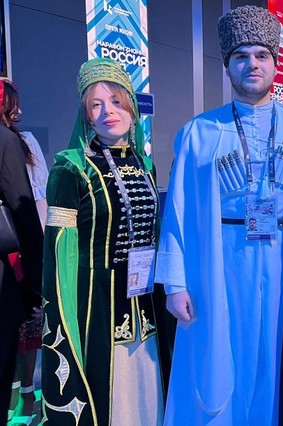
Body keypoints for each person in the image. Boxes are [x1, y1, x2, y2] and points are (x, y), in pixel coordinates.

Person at [155, 6, 283, 425]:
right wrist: (175, 284)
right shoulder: (198, 131)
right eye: (241, 56)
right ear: (227, 66)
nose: (252, 64)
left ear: (275, 63)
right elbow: (177, 211)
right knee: (220, 352)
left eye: (261, 55)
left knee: (279, 352)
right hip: (220, 264)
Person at [41, 58, 165, 425]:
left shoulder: (145, 164)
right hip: (95, 308)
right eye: (96, 104)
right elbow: (57, 255)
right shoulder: (70, 169)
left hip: (145, 304)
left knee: (148, 393)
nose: (108, 111)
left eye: (115, 101)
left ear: (131, 107)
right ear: (86, 115)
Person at [1, 80, 48, 426]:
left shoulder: (25, 140)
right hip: (13, 249)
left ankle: (27, 394)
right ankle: (18, 394)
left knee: (27, 328)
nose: (18, 110)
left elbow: (38, 194)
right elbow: (22, 203)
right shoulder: (7, 141)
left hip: (21, 243)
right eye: (12, 103)